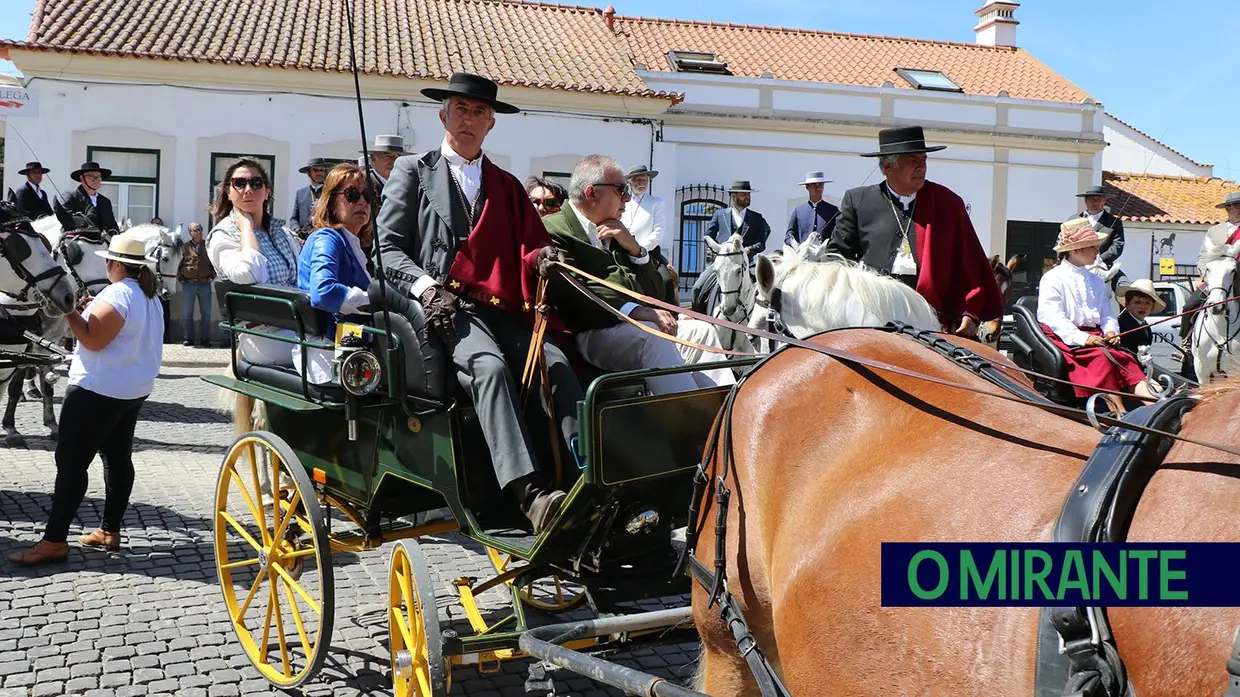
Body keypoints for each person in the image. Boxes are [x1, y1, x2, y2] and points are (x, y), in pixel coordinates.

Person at [376, 72, 579, 532]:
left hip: (499, 306)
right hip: (442, 309)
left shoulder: (506, 185)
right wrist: (427, 288)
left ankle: (580, 473)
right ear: (443, 114)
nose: (469, 119)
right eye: (461, 109)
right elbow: (386, 250)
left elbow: (530, 244)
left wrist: (545, 256)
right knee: (488, 368)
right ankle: (528, 494)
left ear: (491, 124)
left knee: (554, 361)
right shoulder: (412, 171)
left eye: (479, 112)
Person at [8, 233, 165, 565]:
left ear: (117, 264)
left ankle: (54, 541)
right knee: (117, 458)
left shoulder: (119, 293)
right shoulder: (148, 295)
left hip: (98, 390)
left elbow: (92, 339)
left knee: (71, 465)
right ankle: (109, 530)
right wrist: (86, 311)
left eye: (108, 261)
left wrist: (68, 312)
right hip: (132, 389)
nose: (105, 265)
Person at [544, 155, 736, 394]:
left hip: (634, 325)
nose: (627, 197)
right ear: (592, 193)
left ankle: (728, 413)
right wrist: (638, 311)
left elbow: (655, 290)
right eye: (620, 189)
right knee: (653, 336)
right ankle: (691, 420)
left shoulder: (615, 227)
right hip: (592, 332)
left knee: (702, 331)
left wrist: (635, 249)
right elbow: (575, 293)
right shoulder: (553, 229)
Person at [825, 125, 1003, 338]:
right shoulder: (859, 201)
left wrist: (969, 313)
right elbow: (837, 259)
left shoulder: (948, 203)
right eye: (912, 160)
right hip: (872, 314)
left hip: (932, 317)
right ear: (887, 165)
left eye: (924, 160)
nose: (921, 167)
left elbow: (968, 265)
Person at [1036, 219, 1154, 401]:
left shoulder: (1096, 281)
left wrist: (1111, 330)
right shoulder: (1052, 278)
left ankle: (1153, 404)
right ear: (1075, 250)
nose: (1097, 251)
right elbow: (1052, 317)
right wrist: (1083, 338)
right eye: (1092, 247)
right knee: (1103, 359)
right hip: (1069, 341)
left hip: (1097, 337)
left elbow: (1107, 313)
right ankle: (1119, 414)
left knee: (1126, 358)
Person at [206, 157, 301, 365]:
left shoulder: (282, 232)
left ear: (267, 191)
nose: (247, 189)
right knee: (323, 354)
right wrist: (246, 228)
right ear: (228, 193)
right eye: (239, 183)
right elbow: (247, 274)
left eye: (256, 183)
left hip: (300, 324)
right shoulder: (223, 235)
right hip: (261, 334)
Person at [295, 164, 374, 384]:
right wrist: (375, 299)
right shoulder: (327, 238)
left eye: (368, 196)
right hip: (331, 352)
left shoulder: (350, 241)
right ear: (331, 200)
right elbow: (324, 292)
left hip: (352, 342)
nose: (362, 202)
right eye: (352, 194)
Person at [621, 164, 677, 303]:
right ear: (630, 181)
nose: (642, 183)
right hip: (621, 249)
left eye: (645, 180)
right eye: (638, 180)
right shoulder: (622, 200)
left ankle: (670, 313)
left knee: (667, 280)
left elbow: (658, 232)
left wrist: (640, 249)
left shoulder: (656, 203)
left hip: (649, 251)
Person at [54, 161, 120, 234]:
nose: (96, 180)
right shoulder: (70, 196)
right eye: (91, 177)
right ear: (82, 178)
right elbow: (65, 219)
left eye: (98, 177)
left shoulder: (105, 201)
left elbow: (112, 226)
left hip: (100, 242)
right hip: (75, 239)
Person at [177, 222, 215, 347]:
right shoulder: (185, 247)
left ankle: (205, 339)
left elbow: (215, 263)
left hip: (204, 283)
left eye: (199, 229)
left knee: (206, 313)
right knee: (187, 313)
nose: (197, 232)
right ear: (190, 233)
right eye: (194, 230)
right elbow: (178, 263)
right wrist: (180, 278)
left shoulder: (208, 246)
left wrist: (211, 277)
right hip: (188, 284)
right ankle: (189, 338)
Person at [1075, 184, 1125, 268]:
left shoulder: (1115, 222)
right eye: (1091, 199)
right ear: (1085, 200)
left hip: (1102, 265)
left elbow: (1117, 245)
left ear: (1104, 201)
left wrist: (1098, 260)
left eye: (1098, 199)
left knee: (1124, 281)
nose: (1095, 202)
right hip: (1076, 265)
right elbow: (1061, 242)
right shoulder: (1073, 220)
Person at [785, 170, 839, 246]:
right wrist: (795, 245)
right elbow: (789, 235)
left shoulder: (833, 210)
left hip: (825, 254)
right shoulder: (798, 211)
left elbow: (838, 234)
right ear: (807, 187)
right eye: (814, 185)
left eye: (820, 185)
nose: (817, 188)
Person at [1115, 278, 1163, 357]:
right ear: (1127, 305)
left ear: (1152, 307)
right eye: (1137, 302)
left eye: (1147, 303)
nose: (1143, 307)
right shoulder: (1121, 325)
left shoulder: (1146, 326)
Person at [290, 157, 332, 232]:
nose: (319, 173)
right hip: (304, 239)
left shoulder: (330, 193)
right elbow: (293, 219)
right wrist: (297, 229)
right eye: (315, 170)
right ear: (309, 173)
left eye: (321, 170)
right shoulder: (300, 193)